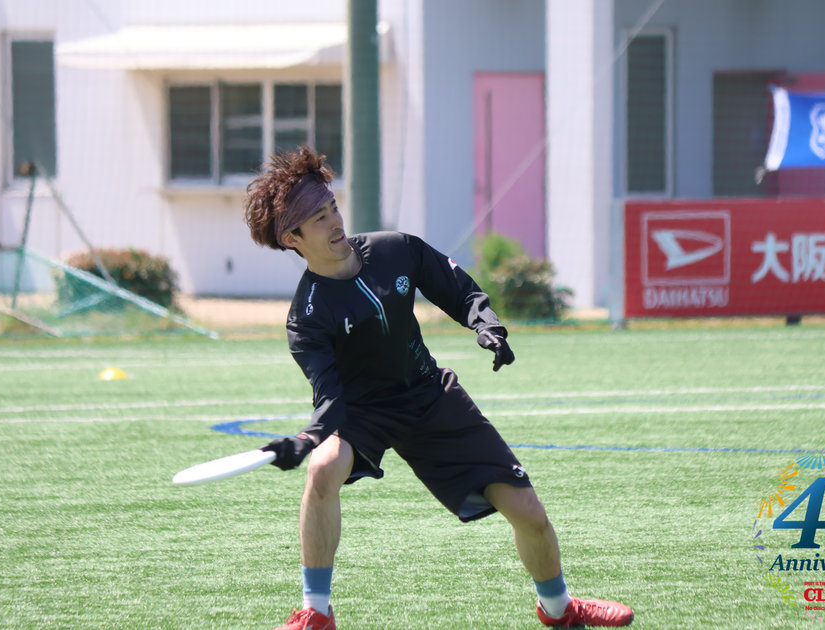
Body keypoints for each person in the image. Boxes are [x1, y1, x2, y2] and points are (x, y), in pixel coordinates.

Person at [243, 145, 634, 630]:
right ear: (292, 238)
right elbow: (330, 398)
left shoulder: (394, 250)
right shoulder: (306, 318)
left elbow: (456, 287)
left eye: (333, 208)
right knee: (322, 469)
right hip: (364, 413)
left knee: (528, 512)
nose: (335, 222)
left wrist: (486, 324)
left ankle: (559, 609)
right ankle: (316, 612)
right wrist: (307, 440)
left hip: (429, 394)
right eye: (318, 219)